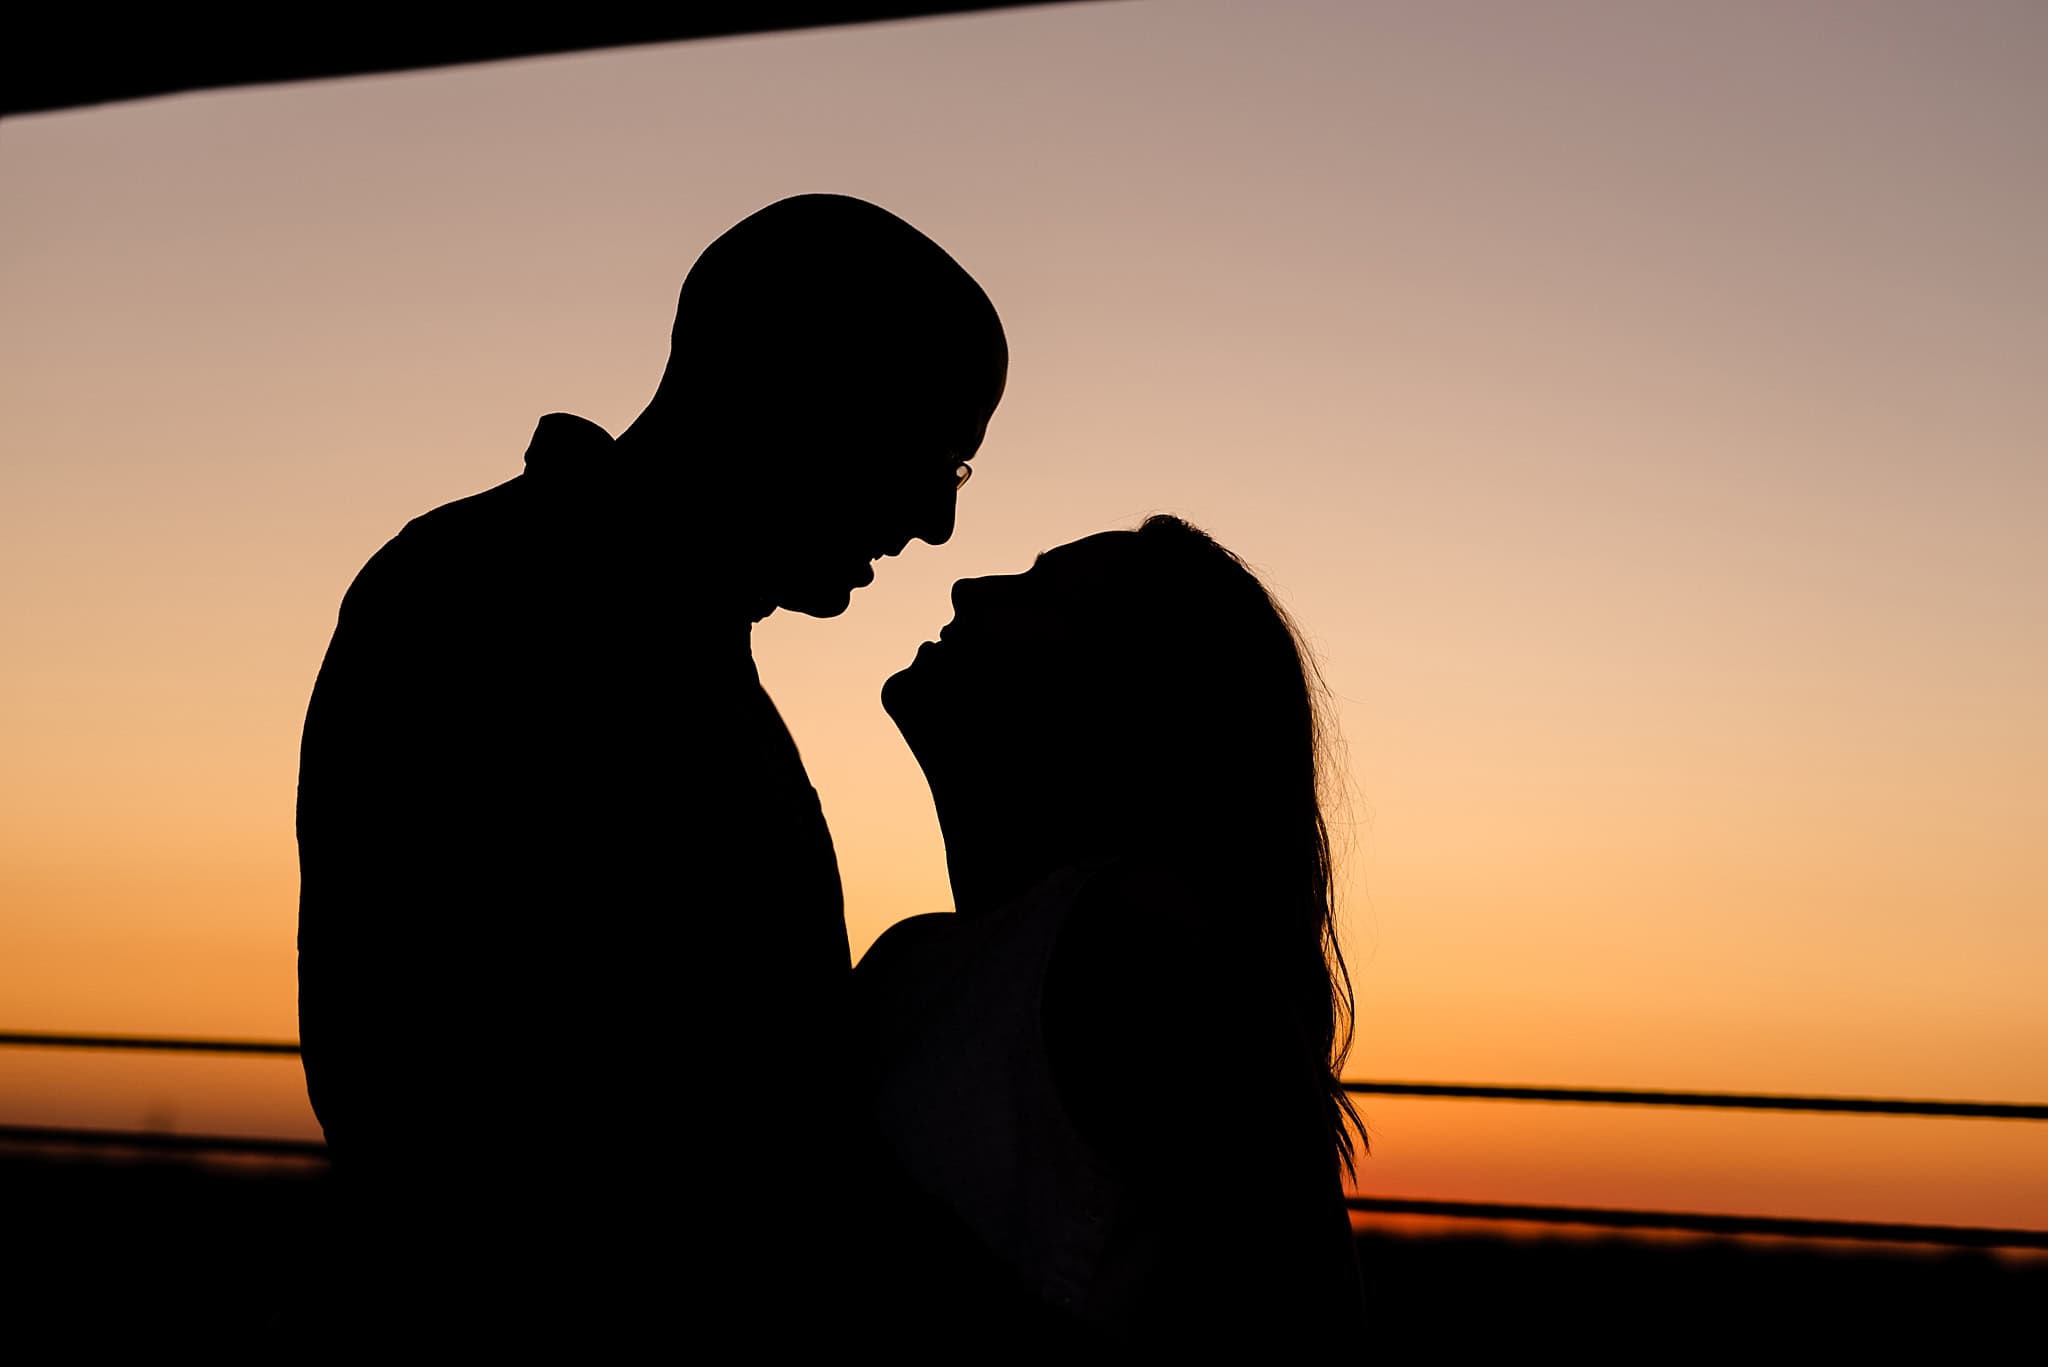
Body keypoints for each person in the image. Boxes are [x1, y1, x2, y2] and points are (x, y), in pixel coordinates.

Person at [295, 194, 1006, 1344]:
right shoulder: (504, 605)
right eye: (936, 448)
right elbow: (467, 1106)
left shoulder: (616, 619)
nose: (933, 522)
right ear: (794, 381)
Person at [852, 516, 1369, 1353]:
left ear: (1126, 697)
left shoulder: (1148, 954)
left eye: (1041, 589)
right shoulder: (911, 961)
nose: (968, 587)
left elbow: (1303, 1347)